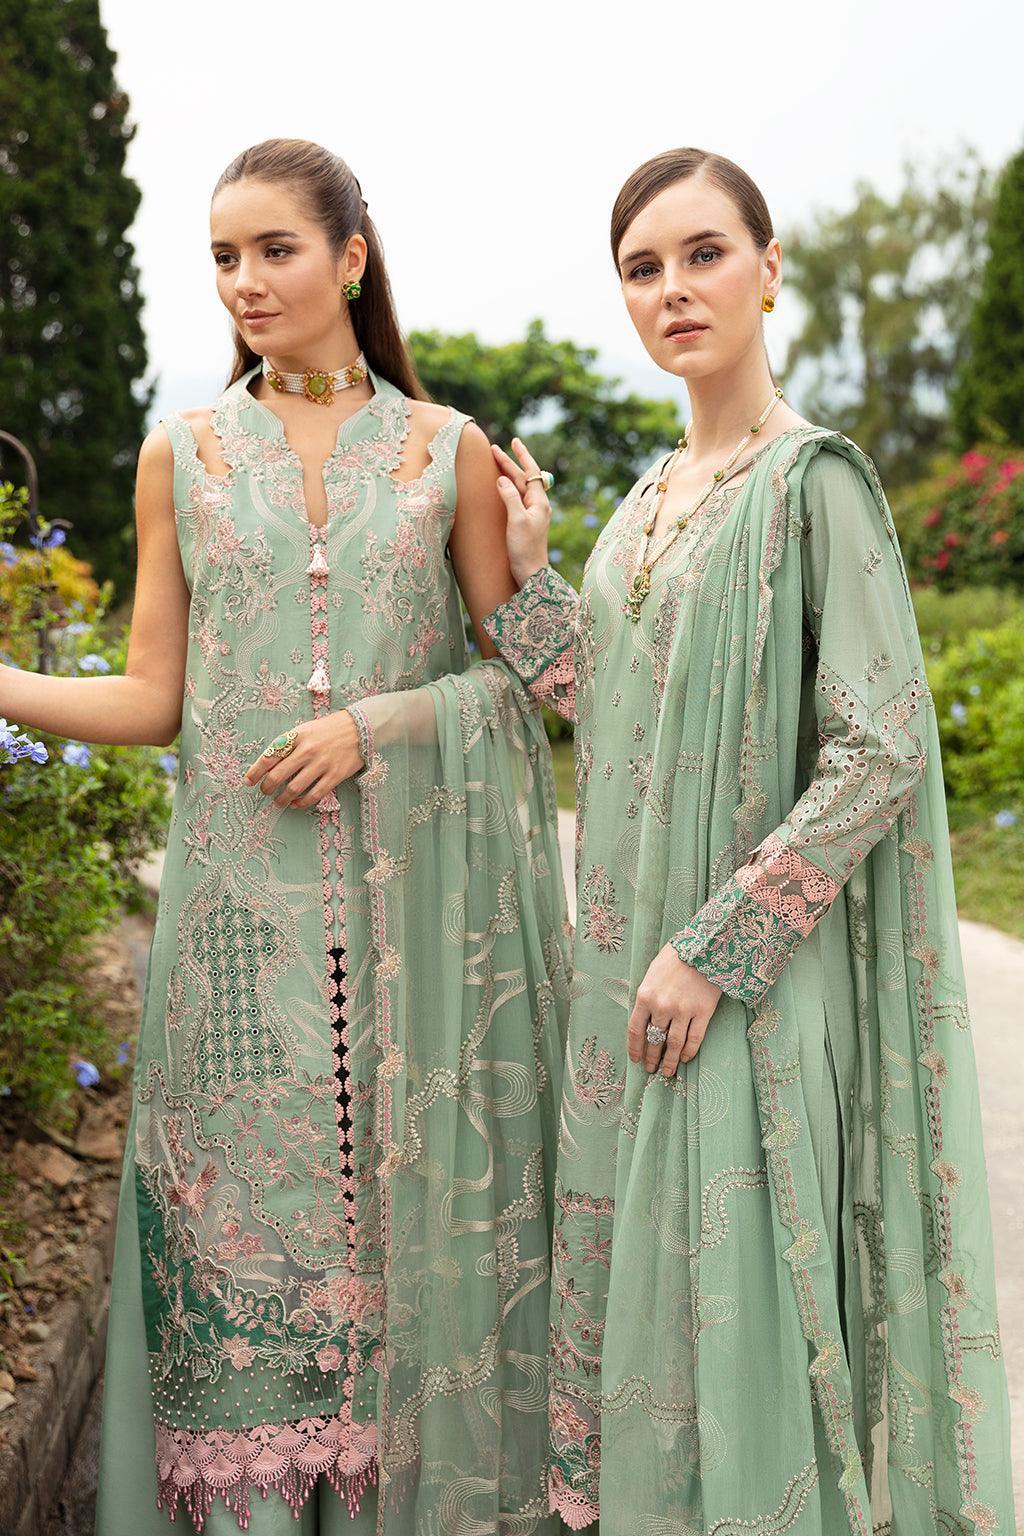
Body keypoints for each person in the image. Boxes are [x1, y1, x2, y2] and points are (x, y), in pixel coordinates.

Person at [0, 138, 570, 1535]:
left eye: (274, 249)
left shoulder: (445, 453)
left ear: (350, 260)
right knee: (241, 1275)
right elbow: (153, 697)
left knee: (402, 1267)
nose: (244, 281)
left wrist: (383, 719)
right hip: (236, 948)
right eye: (222, 256)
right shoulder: (184, 456)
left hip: (417, 949)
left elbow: (533, 686)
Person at [483, 147, 1016, 1533]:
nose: (673, 288)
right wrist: (535, 581)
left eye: (704, 253)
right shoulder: (647, 500)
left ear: (769, 272)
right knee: (647, 1329)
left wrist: (718, 950)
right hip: (631, 984)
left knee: (736, 1327)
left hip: (744, 988)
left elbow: (882, 745)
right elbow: (618, 715)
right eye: (642, 268)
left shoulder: (814, 482)